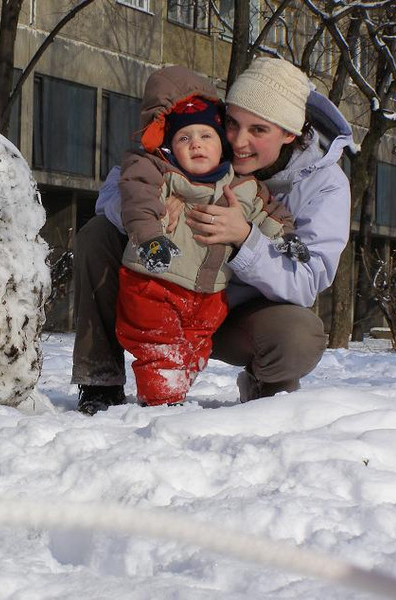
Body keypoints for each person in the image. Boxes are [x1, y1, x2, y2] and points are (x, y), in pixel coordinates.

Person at [72, 57, 354, 416]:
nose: (238, 141)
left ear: (288, 134)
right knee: (97, 234)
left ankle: (270, 391)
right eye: (232, 123)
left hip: (231, 313)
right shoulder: (201, 136)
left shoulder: (325, 186)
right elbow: (116, 189)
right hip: (163, 296)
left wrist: (245, 238)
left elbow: (307, 279)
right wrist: (157, 210)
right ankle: (100, 381)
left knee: (299, 336)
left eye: (258, 130)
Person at [116, 65, 308, 407]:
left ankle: (177, 385)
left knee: (194, 346)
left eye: (206, 137)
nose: (196, 146)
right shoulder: (163, 172)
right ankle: (161, 399)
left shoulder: (243, 187)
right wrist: (151, 233)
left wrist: (279, 237)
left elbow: (271, 215)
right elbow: (135, 194)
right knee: (159, 343)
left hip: (210, 295)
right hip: (155, 282)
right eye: (184, 138)